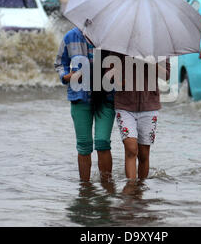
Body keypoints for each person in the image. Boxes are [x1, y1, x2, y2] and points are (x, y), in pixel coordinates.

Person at [54, 27, 115, 182]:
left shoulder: (111, 35)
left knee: (102, 142)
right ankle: (85, 188)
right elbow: (60, 64)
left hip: (106, 97)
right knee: (84, 145)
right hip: (80, 97)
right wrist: (69, 76)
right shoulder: (70, 37)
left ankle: (107, 186)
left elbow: (120, 63)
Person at [110, 53, 170, 180]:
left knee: (143, 154)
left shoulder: (160, 47)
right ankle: (131, 188)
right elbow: (109, 76)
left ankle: (141, 189)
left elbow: (166, 75)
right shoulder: (119, 46)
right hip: (124, 105)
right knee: (131, 149)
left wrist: (150, 63)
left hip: (150, 106)